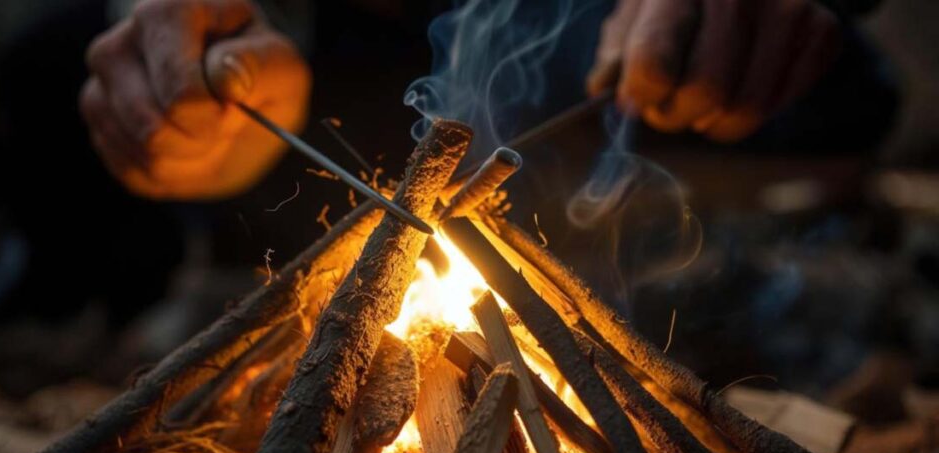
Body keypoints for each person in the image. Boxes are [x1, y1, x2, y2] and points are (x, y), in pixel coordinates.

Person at [81, 0, 865, 201]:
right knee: (40, 57)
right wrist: (177, 87)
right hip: (312, 66)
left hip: (612, 49)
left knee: (856, 91)